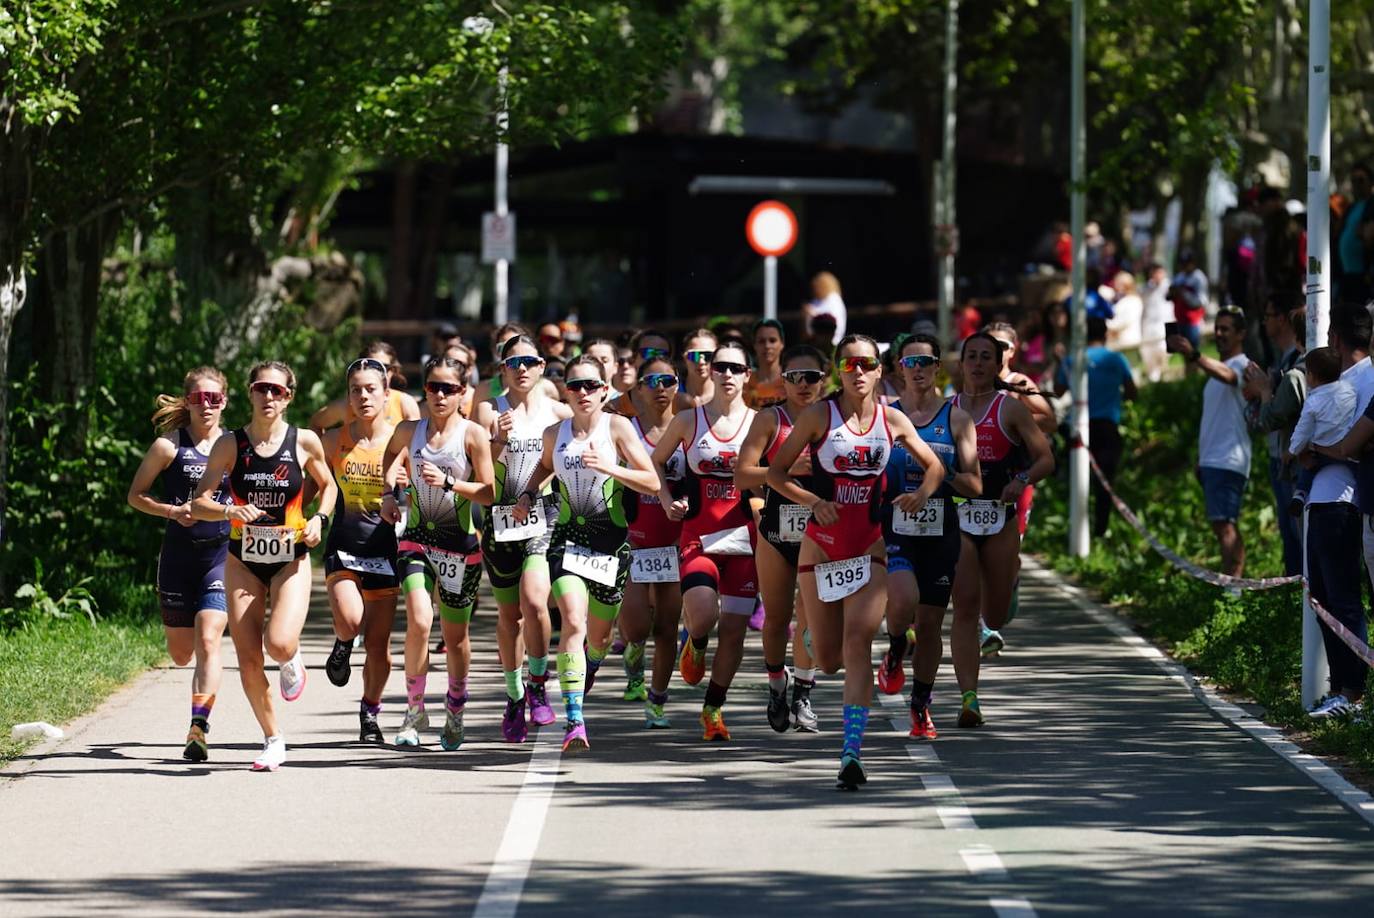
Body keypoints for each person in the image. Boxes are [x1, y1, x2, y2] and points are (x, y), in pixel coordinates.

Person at [767, 335, 944, 789]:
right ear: (838, 372)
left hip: (869, 547)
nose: (859, 372)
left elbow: (935, 468)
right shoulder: (817, 417)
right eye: (850, 365)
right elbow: (775, 473)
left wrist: (920, 494)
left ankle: (851, 752)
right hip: (821, 546)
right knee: (828, 661)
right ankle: (807, 630)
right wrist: (812, 500)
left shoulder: (893, 419)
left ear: (880, 370)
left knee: (857, 643)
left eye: (867, 364)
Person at [191, 362, 336, 771]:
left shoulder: (304, 442)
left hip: (290, 558)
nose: (268, 397)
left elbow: (329, 488)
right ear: (250, 393)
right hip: (243, 561)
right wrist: (230, 510)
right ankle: (273, 739)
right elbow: (199, 502)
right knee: (248, 656)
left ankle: (291, 658)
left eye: (277, 390)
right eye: (261, 389)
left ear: (289, 396)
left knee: (279, 642)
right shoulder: (230, 445)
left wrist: (319, 520)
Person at [513, 355, 660, 752]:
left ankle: (591, 664)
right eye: (575, 386)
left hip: (610, 545)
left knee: (599, 636)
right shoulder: (555, 433)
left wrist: (612, 469)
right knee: (574, 623)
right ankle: (575, 720)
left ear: (605, 390)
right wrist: (528, 494)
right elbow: (543, 468)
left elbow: (650, 482)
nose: (582, 393)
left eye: (591, 386)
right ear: (566, 391)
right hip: (567, 541)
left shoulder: (619, 427)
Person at [380, 357, 494, 748]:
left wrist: (449, 482)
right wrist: (387, 494)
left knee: (456, 636)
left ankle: (455, 709)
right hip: (416, 541)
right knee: (419, 619)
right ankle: (413, 711)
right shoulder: (409, 430)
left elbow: (490, 493)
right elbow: (389, 456)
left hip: (461, 548)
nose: (440, 395)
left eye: (449, 388)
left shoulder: (474, 435)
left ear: (463, 393)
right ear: (424, 390)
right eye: (433, 387)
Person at [875, 335, 982, 740]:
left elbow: (975, 484)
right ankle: (897, 645)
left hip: (941, 531)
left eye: (926, 362)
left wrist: (937, 478)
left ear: (937, 367)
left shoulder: (957, 420)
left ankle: (921, 704)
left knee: (933, 623)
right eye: (910, 362)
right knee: (903, 601)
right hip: (894, 527)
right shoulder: (886, 416)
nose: (918, 369)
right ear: (898, 369)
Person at [652, 341, 757, 742]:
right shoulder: (688, 420)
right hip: (699, 535)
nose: (727, 374)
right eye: (721, 367)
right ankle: (695, 642)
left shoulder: (760, 422)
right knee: (702, 613)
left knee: (734, 631)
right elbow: (656, 461)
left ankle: (713, 709)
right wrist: (666, 499)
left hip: (746, 540)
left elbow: (778, 471)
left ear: (748, 375)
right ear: (709, 372)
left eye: (736, 368)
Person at [949, 334, 1054, 729]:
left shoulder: (1009, 409)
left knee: (994, 614)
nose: (977, 363)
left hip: (999, 515)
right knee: (965, 604)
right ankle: (968, 698)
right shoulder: (948, 409)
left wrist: (1022, 479)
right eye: (970, 356)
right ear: (960, 363)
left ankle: (1010, 580)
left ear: (998, 365)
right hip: (958, 516)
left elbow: (1045, 458)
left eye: (985, 357)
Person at [127, 367, 232, 762]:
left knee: (209, 640)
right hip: (177, 559)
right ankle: (197, 719)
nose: (207, 405)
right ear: (187, 401)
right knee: (182, 654)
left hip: (219, 557)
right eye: (199, 398)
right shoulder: (168, 447)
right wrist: (172, 511)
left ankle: (198, 728)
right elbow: (136, 496)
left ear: (224, 402)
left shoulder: (235, 447)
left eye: (215, 398)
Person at [471, 336, 571, 743]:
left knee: (535, 600)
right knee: (509, 617)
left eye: (529, 361)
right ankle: (514, 697)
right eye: (514, 362)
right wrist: (495, 441)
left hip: (541, 514)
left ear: (542, 366)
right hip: (499, 517)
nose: (522, 369)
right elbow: (477, 468)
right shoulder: (489, 410)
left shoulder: (559, 413)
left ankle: (537, 683)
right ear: (503, 369)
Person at [735, 344, 828, 734]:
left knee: (810, 613)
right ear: (783, 382)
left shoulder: (834, 420)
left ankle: (803, 693)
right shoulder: (769, 420)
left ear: (825, 381)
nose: (803, 385)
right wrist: (785, 466)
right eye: (795, 378)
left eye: (812, 377)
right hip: (776, 528)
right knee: (776, 618)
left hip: (821, 527)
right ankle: (777, 685)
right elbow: (741, 475)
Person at [320, 359, 403, 743]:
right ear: (347, 396)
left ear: (387, 394)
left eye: (371, 389)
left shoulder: (401, 441)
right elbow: (301, 456)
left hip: (386, 549)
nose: (364, 396)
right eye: (356, 389)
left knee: (379, 648)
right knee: (351, 621)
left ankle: (370, 714)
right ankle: (341, 643)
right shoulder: (333, 439)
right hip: (344, 545)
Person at [1303, 305, 1374, 717]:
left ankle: (1352, 692)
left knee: (1343, 600)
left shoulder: (1358, 381)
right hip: (1325, 496)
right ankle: (1341, 690)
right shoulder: (1346, 379)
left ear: (1336, 338)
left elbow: (1352, 445)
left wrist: (1313, 449)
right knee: (1325, 598)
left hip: (1344, 501)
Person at [622, 358, 685, 727]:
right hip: (635, 540)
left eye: (668, 380)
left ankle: (657, 700)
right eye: (653, 381)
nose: (661, 388)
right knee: (636, 627)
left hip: (675, 541)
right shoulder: (626, 429)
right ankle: (631, 652)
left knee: (666, 625)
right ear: (639, 390)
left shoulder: (687, 426)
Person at [1168, 307, 1253, 578]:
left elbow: (1229, 377)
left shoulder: (1241, 365)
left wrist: (1193, 354)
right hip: (1213, 459)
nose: (1219, 334)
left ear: (1241, 334)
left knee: (1226, 525)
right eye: (1217, 328)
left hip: (1229, 459)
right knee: (1221, 525)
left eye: (1226, 329)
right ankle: (1231, 582)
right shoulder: (1219, 369)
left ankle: (1234, 588)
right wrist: (1201, 459)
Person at [1053, 317, 1137, 536]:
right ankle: (1099, 532)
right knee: (1105, 485)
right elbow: (1132, 393)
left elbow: (1058, 391)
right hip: (1108, 428)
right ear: (1105, 333)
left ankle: (1076, 532)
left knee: (1077, 482)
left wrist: (1058, 362)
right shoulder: (1116, 359)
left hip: (1079, 428)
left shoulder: (1072, 360)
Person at [1243, 299, 1308, 577]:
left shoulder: (1297, 373)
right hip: (1293, 463)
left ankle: (1309, 609)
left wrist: (1265, 391)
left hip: (1299, 467)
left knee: (1303, 542)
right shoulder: (1293, 364)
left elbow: (1269, 419)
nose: (1264, 322)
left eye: (1268, 315)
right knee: (1295, 539)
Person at [1286, 347, 1357, 501]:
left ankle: (1300, 494)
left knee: (1308, 467)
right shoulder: (1349, 389)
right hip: (1350, 449)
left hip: (1322, 452)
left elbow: (1301, 432)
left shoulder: (1313, 402)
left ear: (1311, 376)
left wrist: (1291, 452)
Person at [310, 341, 422, 433]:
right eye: (372, 366)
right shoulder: (347, 405)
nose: (378, 372)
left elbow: (416, 444)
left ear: (392, 371)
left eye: (384, 367)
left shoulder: (405, 403)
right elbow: (316, 423)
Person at [1336, 164, 1374, 303]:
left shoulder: (1372, 204)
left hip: (1365, 275)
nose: (1356, 184)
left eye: (1361, 180)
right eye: (1353, 180)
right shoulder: (1351, 207)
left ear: (1371, 182)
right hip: (1347, 275)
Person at [1168, 251, 1210, 354]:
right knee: (1181, 352)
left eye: (1186, 263)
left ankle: (1193, 369)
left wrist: (1183, 293)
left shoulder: (1199, 278)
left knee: (1193, 351)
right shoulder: (1179, 277)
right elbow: (1168, 297)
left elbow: (1200, 302)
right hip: (1178, 319)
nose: (1184, 266)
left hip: (1193, 322)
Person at [744, 318, 787, 409]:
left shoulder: (791, 381)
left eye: (772, 340)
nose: (767, 346)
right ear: (754, 345)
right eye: (761, 341)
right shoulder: (745, 382)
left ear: (782, 344)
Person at [1140, 263, 1171, 382]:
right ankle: (1154, 379)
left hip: (1166, 324)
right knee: (1148, 354)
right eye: (1154, 273)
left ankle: (1164, 377)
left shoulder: (1170, 287)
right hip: (1149, 325)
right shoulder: (1146, 288)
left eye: (1159, 272)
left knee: (1164, 352)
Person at [676, 327, 718, 410]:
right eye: (695, 356)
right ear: (684, 357)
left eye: (708, 355)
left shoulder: (726, 395)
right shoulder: (672, 394)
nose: (701, 362)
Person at [803, 271, 847, 346]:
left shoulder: (834, 300)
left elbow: (834, 322)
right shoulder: (818, 300)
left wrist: (811, 313)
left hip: (833, 342)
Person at [1106, 271, 1143, 351]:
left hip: (1128, 342)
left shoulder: (1133, 300)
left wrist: (1108, 326)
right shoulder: (1118, 299)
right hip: (1117, 342)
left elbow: (1124, 321)